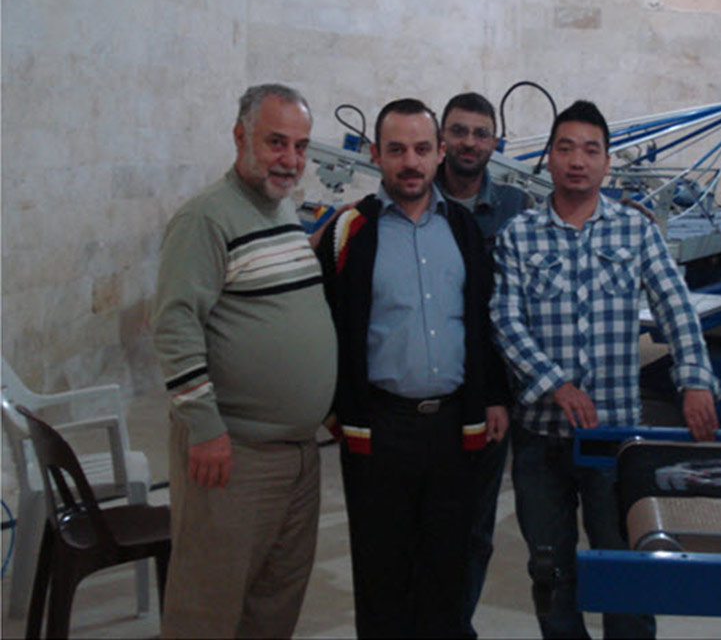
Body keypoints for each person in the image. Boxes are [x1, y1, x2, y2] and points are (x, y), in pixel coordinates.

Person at [490, 100, 721, 639]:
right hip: (541, 440)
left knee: (625, 567)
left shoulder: (635, 231)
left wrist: (694, 379)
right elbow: (505, 320)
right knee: (550, 569)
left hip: (615, 439)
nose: (578, 161)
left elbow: (675, 305)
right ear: (549, 158)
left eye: (591, 150)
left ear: (606, 162)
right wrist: (556, 385)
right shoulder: (519, 234)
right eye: (566, 148)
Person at [315, 98, 509, 638]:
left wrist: (492, 395)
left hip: (452, 430)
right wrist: (335, 408)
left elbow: (482, 321)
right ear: (375, 154)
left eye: (422, 149)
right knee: (381, 574)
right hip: (380, 430)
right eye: (396, 149)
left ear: (439, 152)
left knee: (446, 574)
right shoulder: (350, 231)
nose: (410, 162)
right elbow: (325, 322)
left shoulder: (463, 229)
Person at [152, 84, 337, 638]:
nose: (291, 159)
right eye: (276, 142)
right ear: (240, 137)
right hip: (233, 454)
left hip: (297, 455)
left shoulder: (280, 209)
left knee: (273, 605)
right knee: (208, 609)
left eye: (301, 146)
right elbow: (175, 326)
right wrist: (205, 427)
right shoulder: (206, 218)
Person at [435, 91, 533, 636]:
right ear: (442, 137)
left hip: (490, 397)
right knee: (419, 524)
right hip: (426, 391)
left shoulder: (517, 208)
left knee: (475, 526)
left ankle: (457, 626)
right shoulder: (418, 199)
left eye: (480, 133)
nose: (469, 142)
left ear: (495, 142)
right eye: (459, 131)